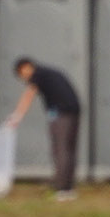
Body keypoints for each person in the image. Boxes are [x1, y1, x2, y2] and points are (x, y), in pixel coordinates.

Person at [5, 56, 83, 199]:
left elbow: (28, 95)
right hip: (73, 111)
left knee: (60, 149)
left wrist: (17, 116)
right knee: (69, 149)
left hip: (61, 114)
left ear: (26, 68)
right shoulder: (47, 73)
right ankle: (67, 186)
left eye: (22, 74)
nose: (24, 78)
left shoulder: (37, 74)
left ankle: (63, 189)